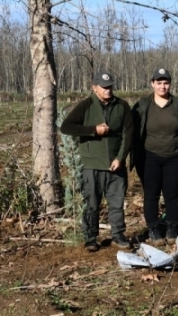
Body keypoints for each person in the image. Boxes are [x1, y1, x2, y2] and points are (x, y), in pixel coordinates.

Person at [60, 71, 134, 251]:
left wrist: (120, 158)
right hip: (91, 165)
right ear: (94, 88)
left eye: (110, 87)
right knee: (91, 203)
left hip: (115, 166)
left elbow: (128, 133)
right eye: (104, 87)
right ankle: (91, 237)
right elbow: (66, 127)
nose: (108, 90)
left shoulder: (122, 106)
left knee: (117, 203)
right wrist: (93, 130)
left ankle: (118, 235)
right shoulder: (85, 106)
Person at [132, 68, 178, 245]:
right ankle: (153, 229)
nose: (162, 86)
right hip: (148, 157)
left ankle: (172, 227)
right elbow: (131, 129)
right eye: (159, 83)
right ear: (152, 84)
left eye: (166, 83)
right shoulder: (143, 105)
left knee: (172, 194)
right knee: (151, 194)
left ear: (170, 84)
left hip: (175, 156)